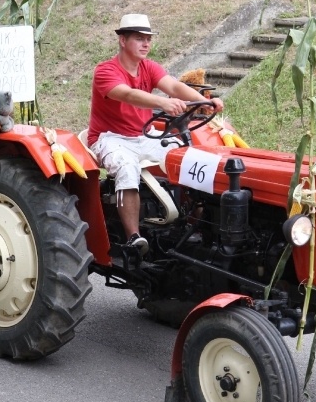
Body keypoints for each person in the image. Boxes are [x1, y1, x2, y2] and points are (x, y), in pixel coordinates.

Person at [87, 13, 224, 254]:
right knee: (126, 167)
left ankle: (198, 225)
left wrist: (204, 101)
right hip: (111, 138)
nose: (146, 44)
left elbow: (174, 86)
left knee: (191, 160)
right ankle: (134, 238)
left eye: (148, 39)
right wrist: (163, 103)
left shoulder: (148, 67)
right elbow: (127, 94)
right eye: (139, 38)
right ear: (123, 40)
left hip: (144, 135)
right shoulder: (105, 71)